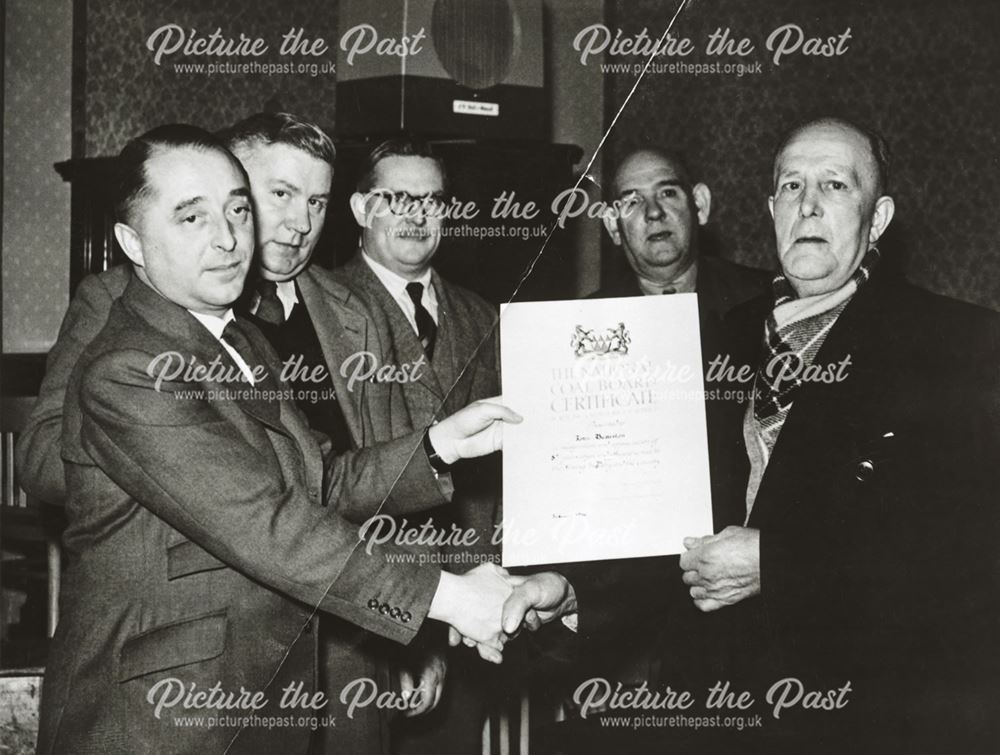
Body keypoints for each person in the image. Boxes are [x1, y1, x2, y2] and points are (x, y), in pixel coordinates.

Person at [502, 117, 1000, 753]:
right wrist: (572, 593)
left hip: (865, 716)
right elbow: (672, 528)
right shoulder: (719, 341)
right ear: (770, 209)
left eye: (835, 185)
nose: (809, 204)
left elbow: (965, 561)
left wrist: (779, 563)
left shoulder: (956, 345)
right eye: (791, 185)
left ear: (877, 219)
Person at [34, 125, 521, 754]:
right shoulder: (127, 368)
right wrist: (448, 600)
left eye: (239, 210)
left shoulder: (241, 340)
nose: (230, 236)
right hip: (158, 713)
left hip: (255, 684)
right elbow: (265, 520)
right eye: (191, 217)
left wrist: (440, 445)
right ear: (132, 241)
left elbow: (319, 481)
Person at [336, 138, 502, 755]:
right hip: (367, 624)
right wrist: (399, 638)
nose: (416, 214)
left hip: (475, 615)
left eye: (432, 200)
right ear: (359, 209)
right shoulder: (323, 310)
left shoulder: (484, 318)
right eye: (396, 198)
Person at [593, 147, 769, 318]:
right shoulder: (591, 318)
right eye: (632, 202)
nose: (654, 212)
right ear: (613, 226)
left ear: (700, 205)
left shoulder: (767, 298)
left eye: (668, 193)